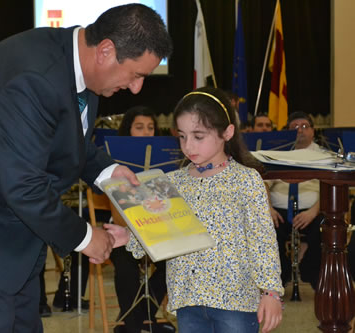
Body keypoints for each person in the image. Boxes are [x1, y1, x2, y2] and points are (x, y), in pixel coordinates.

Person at [0, 4, 172, 332]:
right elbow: (25, 187)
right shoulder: (33, 78)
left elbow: (65, 139)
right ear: (106, 51)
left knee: (23, 325)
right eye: (136, 74)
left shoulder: (80, 66)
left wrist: (106, 171)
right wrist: (87, 237)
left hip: (11, 217)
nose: (136, 88)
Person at [105, 87, 283, 333]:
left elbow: (262, 239)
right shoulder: (172, 181)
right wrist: (129, 236)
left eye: (198, 136)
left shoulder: (246, 180)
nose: (188, 145)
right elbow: (162, 231)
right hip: (187, 297)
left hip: (235, 301)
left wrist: (271, 291)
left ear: (227, 132)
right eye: (182, 136)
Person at [111, 106, 174, 333]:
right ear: (128, 131)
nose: (146, 132)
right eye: (139, 127)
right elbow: (117, 216)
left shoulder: (166, 162)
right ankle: (135, 325)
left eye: (150, 128)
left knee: (176, 262)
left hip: (159, 228)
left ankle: (141, 316)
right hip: (124, 229)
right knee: (125, 264)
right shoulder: (114, 163)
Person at [266, 111, 323, 289]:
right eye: (294, 127)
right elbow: (264, 185)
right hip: (279, 211)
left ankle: (310, 272)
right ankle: (281, 277)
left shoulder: (323, 155)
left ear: (313, 131)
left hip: (313, 211)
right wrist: (269, 209)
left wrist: (313, 212)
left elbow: (329, 187)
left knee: (325, 231)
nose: (300, 130)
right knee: (265, 229)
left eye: (305, 126)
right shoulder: (277, 153)